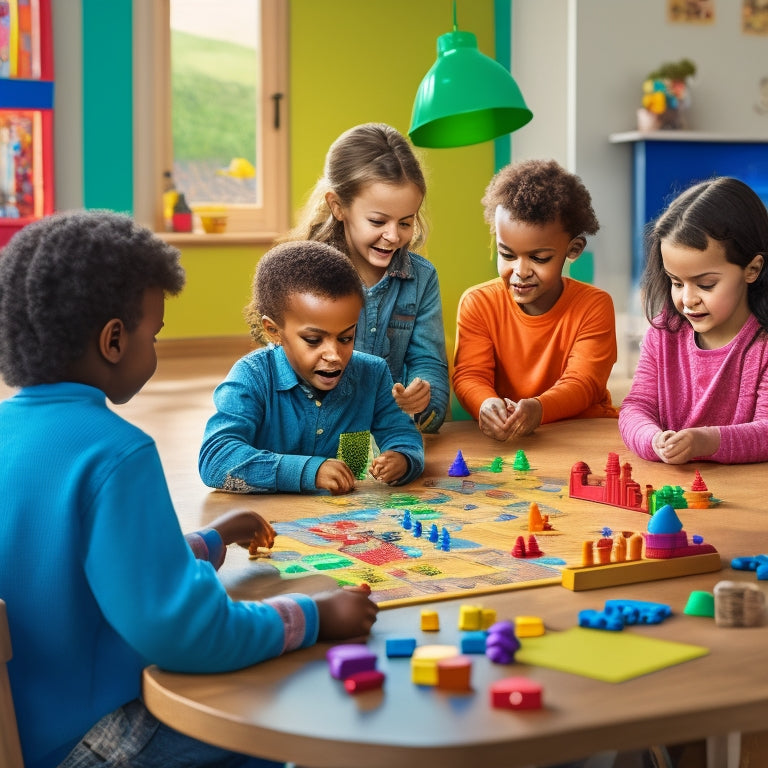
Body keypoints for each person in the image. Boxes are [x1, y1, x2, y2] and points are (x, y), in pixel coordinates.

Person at [0, 210, 379, 768]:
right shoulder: (115, 451)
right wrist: (316, 617)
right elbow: (188, 633)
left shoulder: (9, 432)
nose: (154, 346)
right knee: (290, 714)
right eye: (153, 334)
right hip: (97, 740)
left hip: (26, 734)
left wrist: (204, 542)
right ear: (113, 341)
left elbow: (82, 570)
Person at [198, 240, 425, 495]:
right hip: (271, 523)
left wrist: (402, 459)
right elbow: (215, 461)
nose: (334, 355)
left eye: (346, 337)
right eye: (313, 340)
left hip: (348, 523)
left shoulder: (373, 372)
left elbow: (402, 435)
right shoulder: (252, 376)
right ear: (274, 331)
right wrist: (309, 471)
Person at [281, 122, 449, 433]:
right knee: (346, 478)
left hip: (391, 431)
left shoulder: (422, 278)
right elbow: (286, 371)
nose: (392, 235)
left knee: (397, 478)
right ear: (338, 206)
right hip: (318, 433)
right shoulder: (305, 276)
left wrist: (423, 399)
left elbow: (430, 364)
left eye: (405, 222)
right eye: (377, 221)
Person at [452, 158, 618, 442]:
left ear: (573, 249)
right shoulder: (478, 303)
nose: (520, 271)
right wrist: (485, 404)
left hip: (584, 431)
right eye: (507, 255)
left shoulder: (594, 305)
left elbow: (584, 383)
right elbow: (470, 375)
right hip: (516, 440)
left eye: (539, 258)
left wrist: (539, 409)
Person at [619, 176, 768, 464]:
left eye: (706, 284)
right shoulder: (664, 333)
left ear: (752, 269)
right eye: (676, 282)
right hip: (677, 489)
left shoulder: (762, 347)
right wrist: (653, 439)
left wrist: (706, 442)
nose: (687, 299)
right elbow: (636, 407)